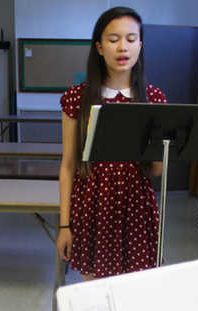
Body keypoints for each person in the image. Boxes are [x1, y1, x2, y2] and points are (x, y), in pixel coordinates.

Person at [56, 6, 167, 279]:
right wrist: (64, 225)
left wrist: (160, 153)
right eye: (113, 39)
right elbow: (68, 166)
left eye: (131, 39)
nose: (123, 47)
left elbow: (156, 170)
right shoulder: (76, 98)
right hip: (93, 207)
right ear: (99, 47)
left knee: (136, 294)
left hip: (137, 208)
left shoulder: (154, 98)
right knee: (94, 295)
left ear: (140, 45)